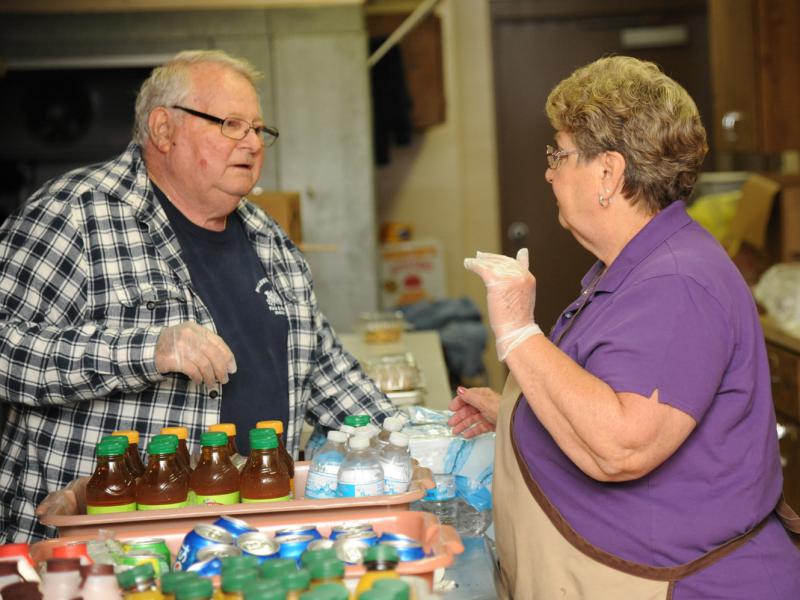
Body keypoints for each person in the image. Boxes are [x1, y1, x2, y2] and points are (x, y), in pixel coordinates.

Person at [0, 50, 399, 543]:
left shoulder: (269, 239)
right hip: (96, 546)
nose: (253, 143)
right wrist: (149, 351)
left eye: (258, 129)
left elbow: (324, 370)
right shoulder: (75, 214)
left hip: (243, 537)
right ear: (164, 129)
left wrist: (410, 440)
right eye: (231, 125)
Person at [450, 56, 800, 599]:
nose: (548, 172)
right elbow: (609, 395)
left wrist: (519, 331)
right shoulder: (634, 266)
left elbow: (621, 447)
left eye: (559, 155)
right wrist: (518, 413)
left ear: (609, 174)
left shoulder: (678, 283)